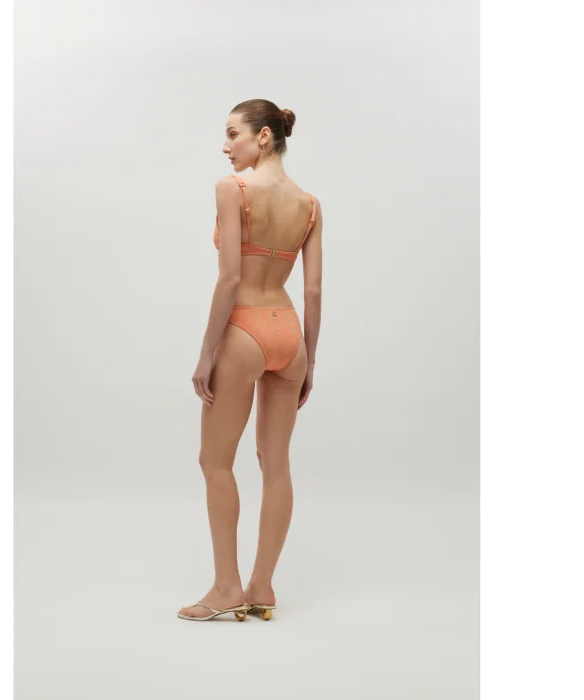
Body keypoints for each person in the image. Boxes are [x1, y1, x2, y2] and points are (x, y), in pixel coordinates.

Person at [177, 99, 323, 621]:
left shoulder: (233, 189)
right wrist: (309, 361)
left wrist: (206, 353)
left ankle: (226, 588)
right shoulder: (309, 204)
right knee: (276, 463)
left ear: (263, 136)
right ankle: (262, 587)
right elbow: (313, 289)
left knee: (215, 462)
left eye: (233, 133)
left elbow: (231, 278)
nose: (226, 146)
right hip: (289, 334)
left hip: (244, 329)